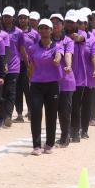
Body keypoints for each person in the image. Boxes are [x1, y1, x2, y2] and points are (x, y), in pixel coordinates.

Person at [26, 18, 60, 155]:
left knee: (51, 114)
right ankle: (36, 145)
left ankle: (50, 143)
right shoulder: (32, 48)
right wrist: (30, 79)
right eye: (42, 28)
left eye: (47, 28)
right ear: (38, 30)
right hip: (36, 85)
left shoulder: (57, 46)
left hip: (52, 84)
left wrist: (57, 60)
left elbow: (59, 56)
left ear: (51, 30)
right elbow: (31, 65)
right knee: (35, 113)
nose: (44, 30)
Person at [50, 14, 74, 147]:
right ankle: (53, 138)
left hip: (66, 80)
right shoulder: (46, 40)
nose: (55, 25)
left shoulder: (67, 40)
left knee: (64, 111)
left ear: (63, 25)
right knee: (53, 110)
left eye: (57, 23)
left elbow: (68, 54)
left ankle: (65, 137)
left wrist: (68, 65)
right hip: (51, 80)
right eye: (52, 23)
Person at [14, 9, 33, 122]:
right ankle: (19, 113)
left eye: (25, 18)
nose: (22, 20)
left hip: (28, 64)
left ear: (28, 19)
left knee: (28, 88)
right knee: (18, 89)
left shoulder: (34, 33)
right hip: (17, 63)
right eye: (20, 18)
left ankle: (30, 111)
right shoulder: (15, 32)